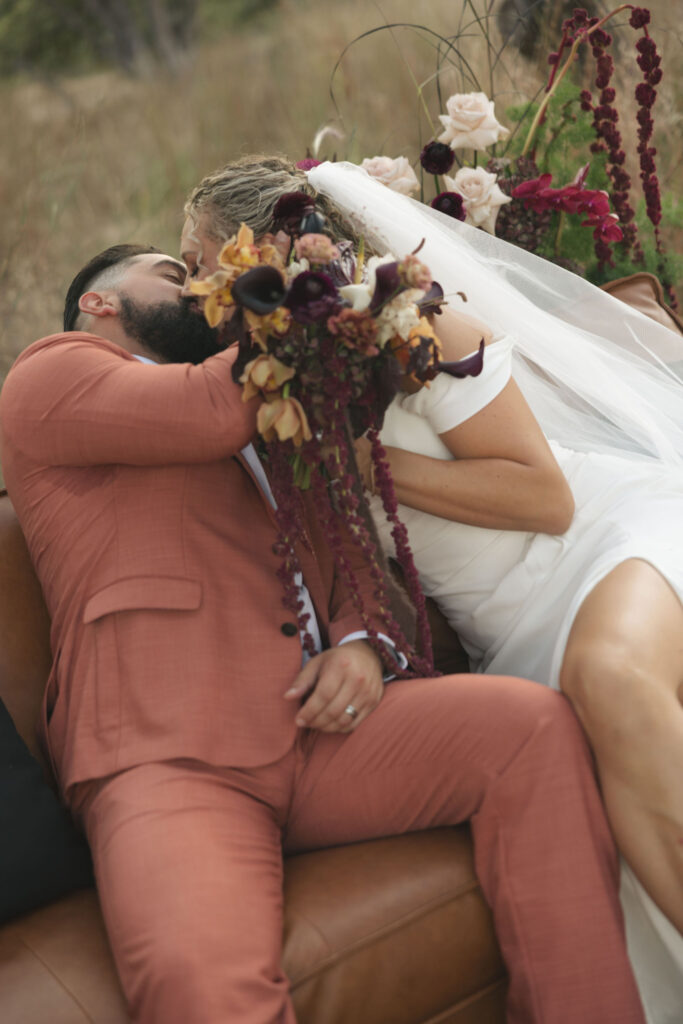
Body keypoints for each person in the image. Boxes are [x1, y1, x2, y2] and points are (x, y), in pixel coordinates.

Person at [0, 242, 647, 1024]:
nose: (200, 286)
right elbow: (209, 410)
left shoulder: (270, 413)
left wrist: (360, 647)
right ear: (100, 303)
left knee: (527, 730)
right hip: (167, 750)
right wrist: (317, 295)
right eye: (173, 275)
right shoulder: (50, 374)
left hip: (317, 732)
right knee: (204, 989)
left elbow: (341, 544)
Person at [181, 155, 683, 1023]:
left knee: (608, 676)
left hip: (603, 541)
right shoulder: (268, 390)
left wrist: (370, 469)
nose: (194, 291)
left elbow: (545, 499)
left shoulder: (418, 323)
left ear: (261, 252)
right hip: (506, 631)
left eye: (198, 263)